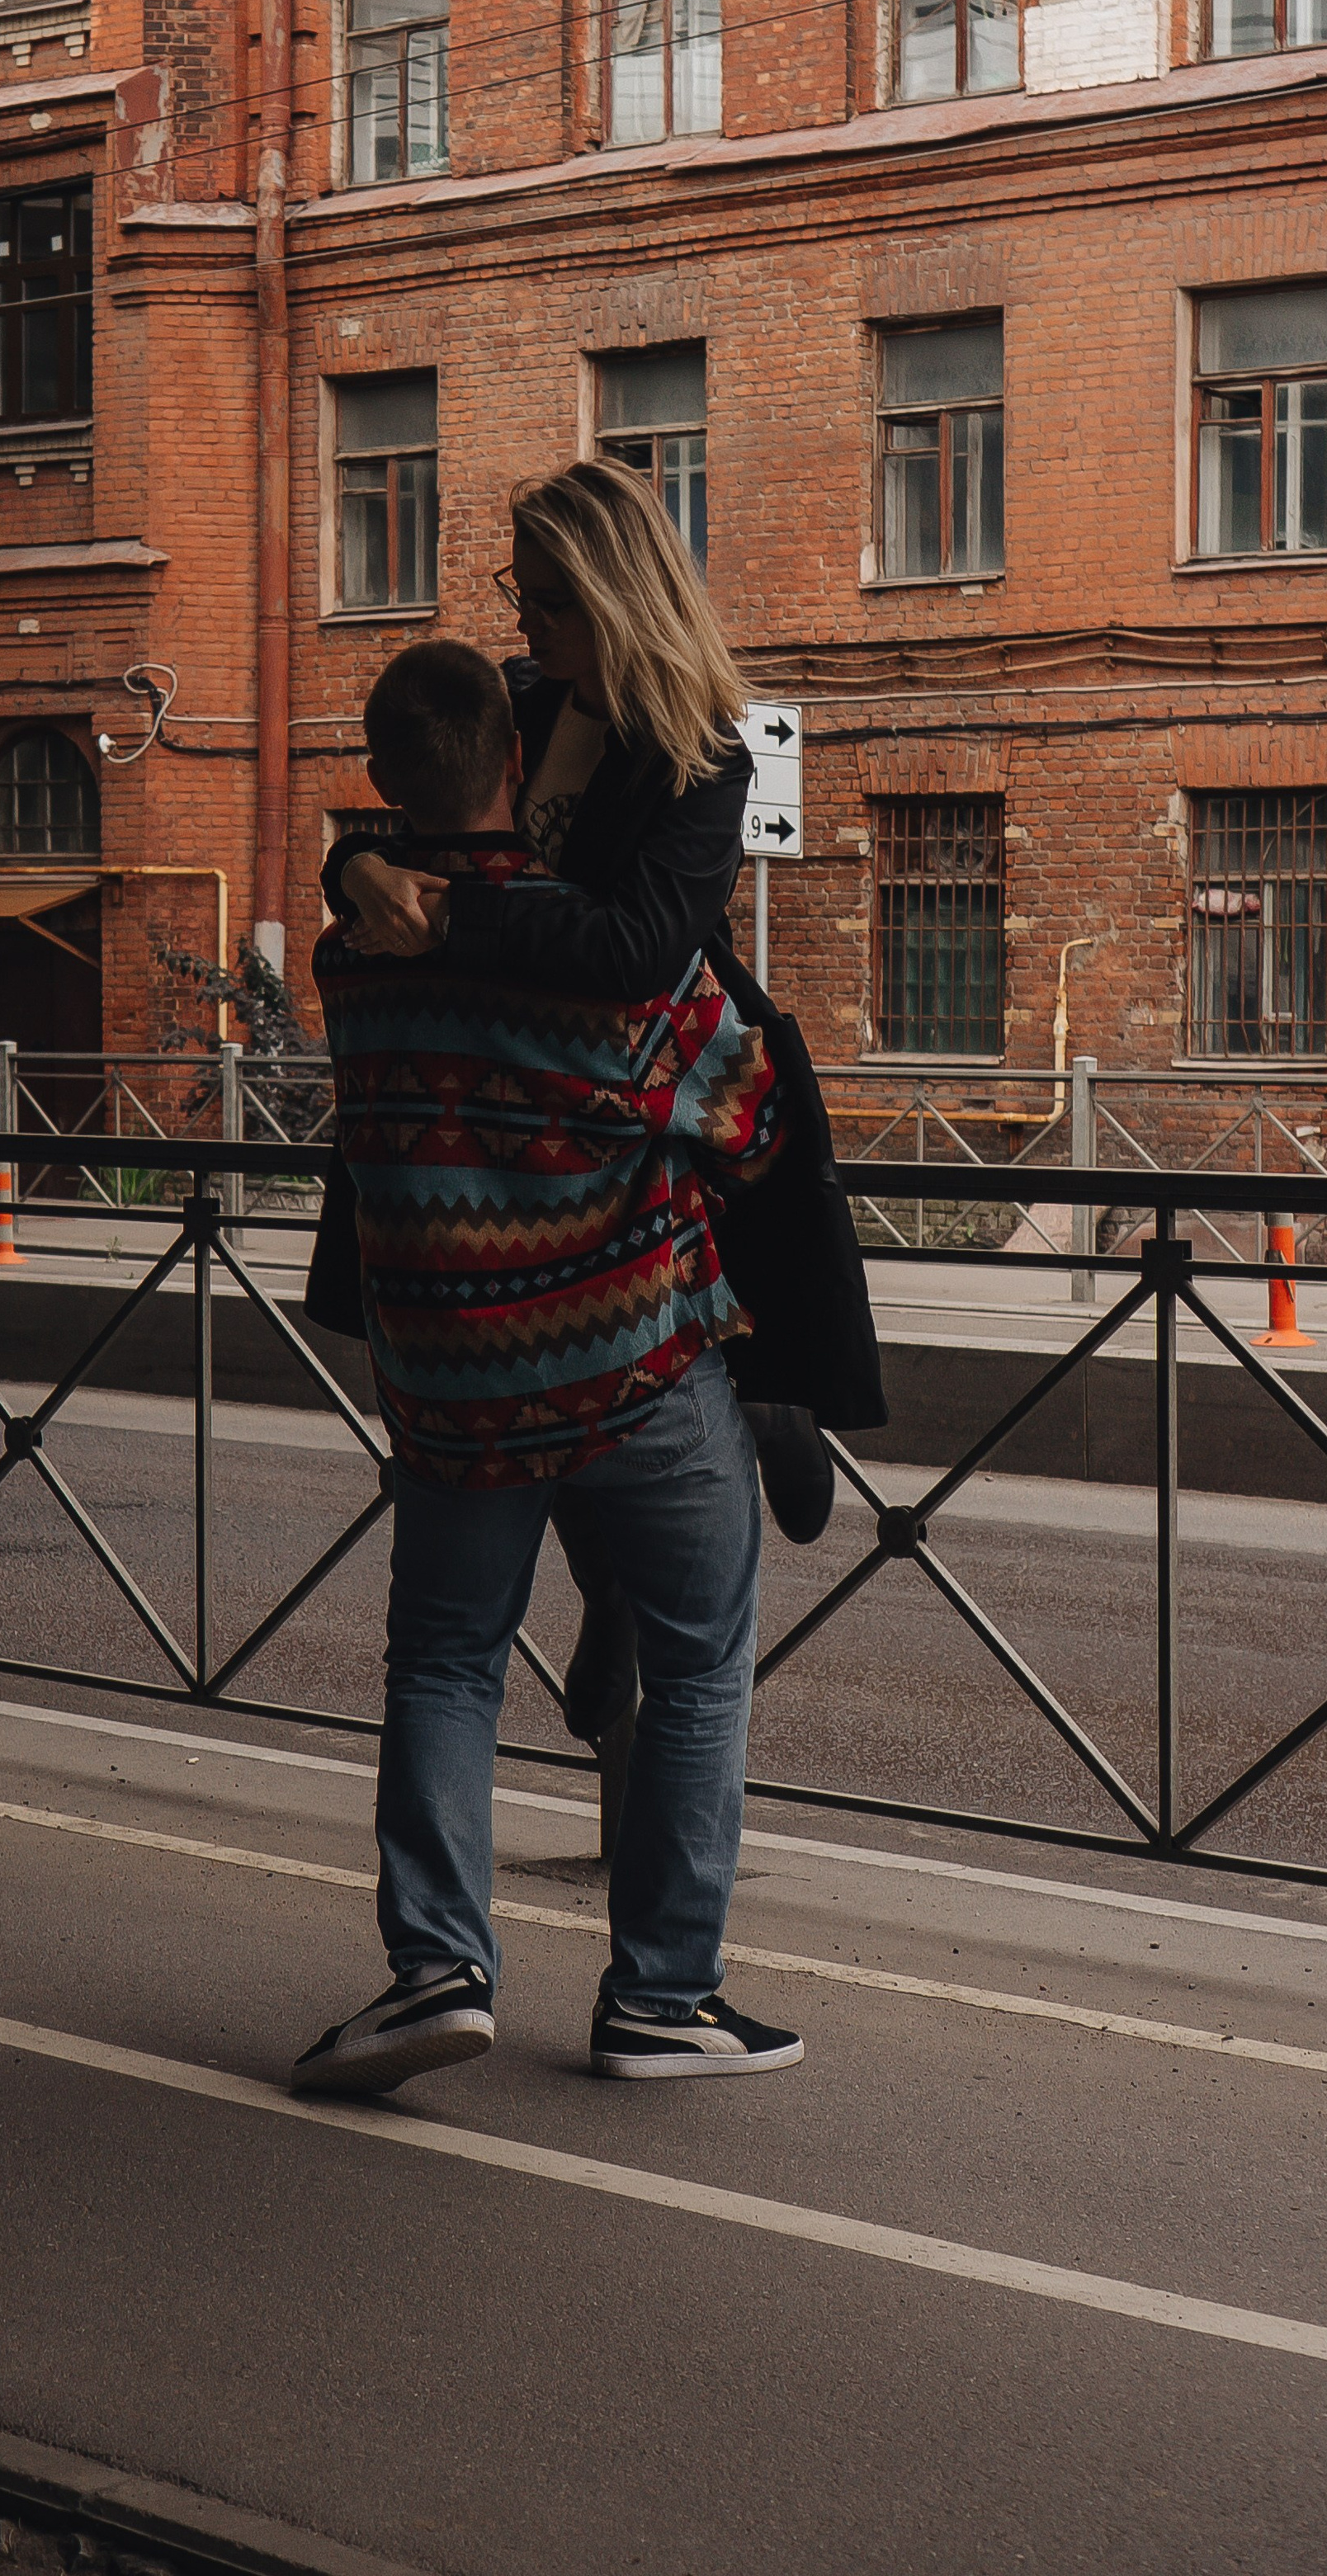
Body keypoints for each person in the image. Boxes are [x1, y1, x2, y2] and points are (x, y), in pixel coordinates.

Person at [292, 639, 805, 2097]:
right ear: (518, 762)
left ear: (384, 779)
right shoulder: (598, 955)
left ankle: (437, 1970)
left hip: (450, 1392)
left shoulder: (352, 958)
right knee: (698, 1666)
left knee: (444, 1662)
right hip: (632, 1370)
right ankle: (662, 1998)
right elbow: (754, 1119)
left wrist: (351, 868)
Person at [312, 458, 885, 1732]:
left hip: (653, 1059)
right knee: (552, 1347)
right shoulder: (519, 695)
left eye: (548, 599)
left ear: (618, 597)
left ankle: (770, 1397)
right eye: (519, 590)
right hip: (517, 1080)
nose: (522, 619)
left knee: (649, 1308)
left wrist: (454, 920)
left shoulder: (702, 750)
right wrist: (354, 867)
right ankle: (625, 1578)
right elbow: (417, 811)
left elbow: (638, 948)